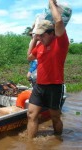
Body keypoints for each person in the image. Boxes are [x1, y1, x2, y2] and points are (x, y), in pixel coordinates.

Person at [27, 0, 69, 139]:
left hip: (54, 86)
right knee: (31, 114)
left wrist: (51, 2)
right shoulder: (39, 46)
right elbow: (29, 57)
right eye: (39, 35)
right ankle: (30, 144)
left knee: (55, 117)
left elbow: (58, 21)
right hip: (39, 85)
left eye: (42, 35)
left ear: (52, 33)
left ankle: (58, 139)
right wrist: (34, 37)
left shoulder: (60, 42)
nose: (40, 37)